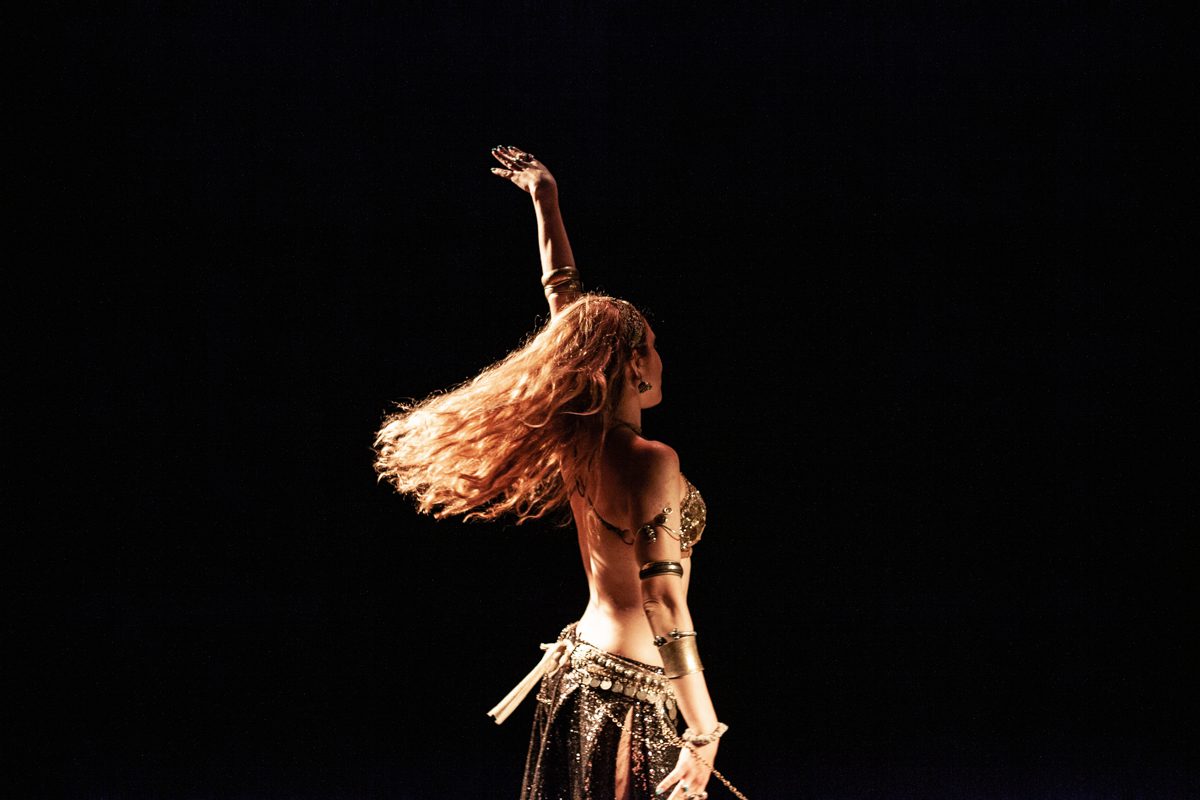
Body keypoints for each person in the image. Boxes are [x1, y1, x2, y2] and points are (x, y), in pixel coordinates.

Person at [373, 146, 745, 800]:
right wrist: (703, 728)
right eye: (653, 345)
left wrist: (546, 199)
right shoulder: (650, 460)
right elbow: (662, 600)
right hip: (629, 692)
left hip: (582, 675)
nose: (660, 357)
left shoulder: (583, 443)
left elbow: (565, 305)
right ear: (633, 363)